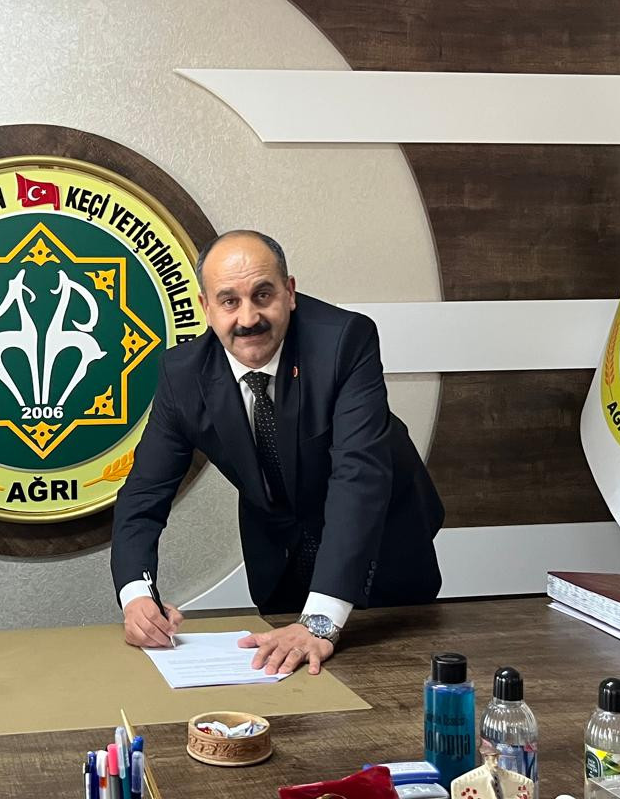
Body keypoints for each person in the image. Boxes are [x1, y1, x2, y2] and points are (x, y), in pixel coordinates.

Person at [111, 230, 443, 675]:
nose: (248, 318)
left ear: (289, 292)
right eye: (229, 301)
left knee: (393, 685)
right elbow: (143, 495)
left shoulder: (345, 340)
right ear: (206, 307)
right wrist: (137, 598)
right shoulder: (182, 374)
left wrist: (321, 620)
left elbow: (359, 477)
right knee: (289, 689)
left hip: (379, 554)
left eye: (263, 295)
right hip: (281, 563)